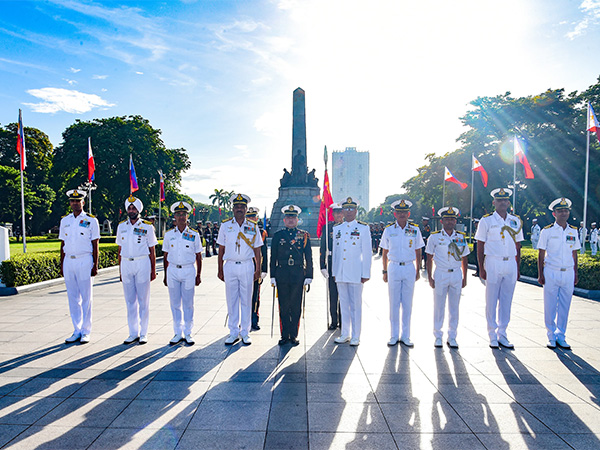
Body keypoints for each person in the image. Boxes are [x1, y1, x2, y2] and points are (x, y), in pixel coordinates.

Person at [475, 188, 524, 349]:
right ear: (494, 203)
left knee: (506, 300)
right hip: (493, 262)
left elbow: (518, 245)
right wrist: (481, 266)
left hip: (510, 262)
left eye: (505, 200)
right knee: (491, 299)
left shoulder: (515, 221)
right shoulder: (486, 220)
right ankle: (492, 334)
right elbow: (480, 244)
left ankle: (502, 333)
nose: (502, 203)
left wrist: (517, 266)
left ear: (508, 203)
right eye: (499, 200)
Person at [217, 194, 263, 345]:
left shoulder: (253, 226)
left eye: (242, 207)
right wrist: (220, 269)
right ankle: (233, 332)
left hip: (246, 265)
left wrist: (258, 269)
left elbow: (257, 250)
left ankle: (245, 331)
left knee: (246, 299)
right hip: (230, 265)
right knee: (231, 300)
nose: (239, 209)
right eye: (236, 206)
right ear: (233, 209)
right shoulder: (225, 226)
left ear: (246, 209)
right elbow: (221, 249)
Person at [380, 199, 424, 347]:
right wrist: (384, 271)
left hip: (409, 267)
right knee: (393, 303)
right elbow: (384, 252)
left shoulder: (415, 230)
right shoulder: (389, 230)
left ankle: (406, 335)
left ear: (408, 214)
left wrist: (418, 269)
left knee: (407, 303)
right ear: (395, 214)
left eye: (404, 212)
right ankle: (393, 335)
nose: (402, 215)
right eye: (399, 212)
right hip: (393, 267)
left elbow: (418, 250)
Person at [537, 198, 580, 349]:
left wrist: (575, 272)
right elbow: (541, 253)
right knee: (549, 305)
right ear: (554, 213)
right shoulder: (547, 231)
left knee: (565, 305)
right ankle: (550, 335)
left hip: (568, 272)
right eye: (560, 211)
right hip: (551, 271)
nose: (564, 213)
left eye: (566, 210)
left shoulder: (573, 231)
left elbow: (574, 253)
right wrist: (540, 274)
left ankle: (561, 335)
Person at [59, 189, 100, 344]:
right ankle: (76, 330)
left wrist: (95, 264)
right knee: (72, 297)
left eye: (78, 201)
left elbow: (95, 243)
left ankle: (86, 331)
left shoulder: (91, 220)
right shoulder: (65, 221)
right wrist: (62, 264)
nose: (75, 203)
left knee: (86, 297)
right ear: (70, 203)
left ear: (83, 202)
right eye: (73, 201)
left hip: (84, 260)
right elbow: (62, 243)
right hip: (69, 260)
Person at [425, 207, 469, 348]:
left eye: (452, 219)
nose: (450, 222)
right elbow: (429, 257)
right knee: (439, 306)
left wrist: (465, 277)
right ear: (442, 221)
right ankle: (438, 335)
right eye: (447, 219)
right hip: (441, 273)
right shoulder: (435, 237)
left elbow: (464, 258)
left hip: (456, 273)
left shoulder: (461, 237)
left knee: (454, 307)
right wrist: (430, 277)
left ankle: (452, 336)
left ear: (455, 221)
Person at [117, 195, 158, 345]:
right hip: (126, 263)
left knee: (143, 300)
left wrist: (153, 270)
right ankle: (132, 332)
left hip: (142, 263)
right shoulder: (121, 226)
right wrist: (120, 269)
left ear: (139, 210)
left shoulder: (147, 226)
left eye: (134, 208)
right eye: (129, 208)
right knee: (129, 301)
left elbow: (152, 249)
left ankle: (143, 332)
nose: (131, 210)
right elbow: (120, 248)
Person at [270, 205, 313, 345]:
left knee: (295, 307)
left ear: (297, 220)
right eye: (288, 217)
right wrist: (272, 275)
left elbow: (309, 257)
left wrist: (309, 275)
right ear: (284, 220)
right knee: (283, 306)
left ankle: (293, 335)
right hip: (282, 274)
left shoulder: (304, 235)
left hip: (298, 274)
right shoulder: (278, 235)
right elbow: (273, 257)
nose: (290, 220)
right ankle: (284, 335)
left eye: (293, 217)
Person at [332, 197, 372, 346]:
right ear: (342, 211)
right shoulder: (337, 229)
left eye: (351, 209)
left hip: (356, 272)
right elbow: (336, 252)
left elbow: (367, 252)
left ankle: (356, 335)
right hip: (341, 272)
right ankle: (345, 333)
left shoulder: (363, 228)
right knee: (343, 303)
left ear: (356, 211)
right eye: (346, 209)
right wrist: (334, 271)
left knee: (355, 305)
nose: (348, 212)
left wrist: (365, 273)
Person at [163, 201, 203, 346]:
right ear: (174, 216)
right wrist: (165, 275)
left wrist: (198, 275)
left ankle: (188, 332)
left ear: (188, 216)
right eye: (178, 214)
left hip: (188, 270)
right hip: (173, 270)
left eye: (183, 214)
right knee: (174, 303)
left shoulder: (194, 235)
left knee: (188, 303)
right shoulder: (168, 235)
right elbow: (166, 256)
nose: (181, 217)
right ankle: (177, 332)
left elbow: (199, 256)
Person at [320, 202, 344, 330]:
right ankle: (334, 321)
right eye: (336, 212)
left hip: (344, 262)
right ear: (333, 214)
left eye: (340, 212)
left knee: (344, 293)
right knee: (333, 292)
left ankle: (342, 319)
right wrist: (322, 265)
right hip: (331, 260)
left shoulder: (347, 227)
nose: (338, 215)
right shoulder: (327, 227)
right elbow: (323, 247)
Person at [246, 207, 268, 331]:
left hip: (256, 268)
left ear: (257, 218)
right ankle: (244, 320)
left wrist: (263, 270)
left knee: (255, 296)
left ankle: (254, 320)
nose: (251, 219)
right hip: (243, 267)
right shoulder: (242, 230)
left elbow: (264, 252)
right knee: (243, 296)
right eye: (249, 217)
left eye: (253, 216)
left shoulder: (261, 232)